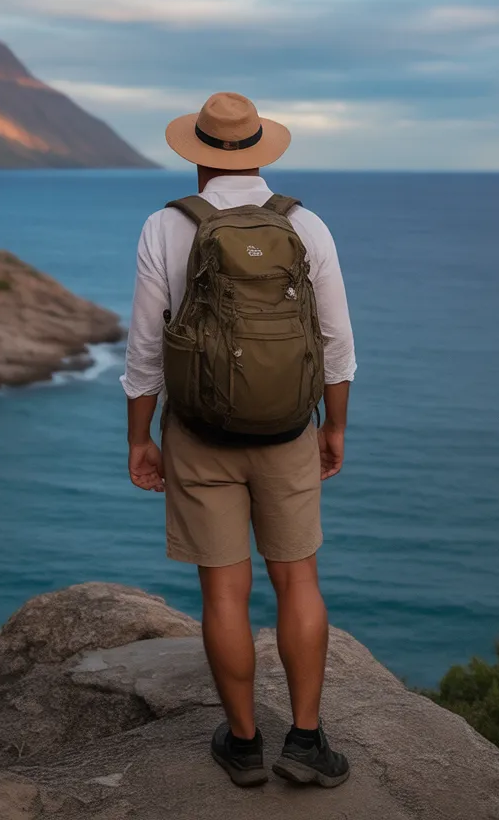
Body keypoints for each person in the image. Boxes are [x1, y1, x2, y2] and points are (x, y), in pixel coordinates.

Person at [121, 91, 356, 788]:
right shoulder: (304, 225)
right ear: (261, 152)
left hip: (199, 436)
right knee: (298, 579)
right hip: (289, 431)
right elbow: (336, 341)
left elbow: (144, 351)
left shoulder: (166, 228)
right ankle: (307, 741)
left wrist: (141, 439)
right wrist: (334, 425)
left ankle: (246, 744)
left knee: (225, 591)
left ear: (195, 154)